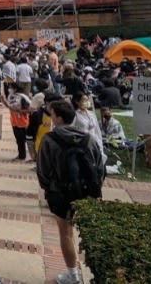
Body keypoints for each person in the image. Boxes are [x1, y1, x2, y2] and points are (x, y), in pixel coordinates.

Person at [37, 100, 104, 284]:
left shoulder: (49, 140)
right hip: (87, 191)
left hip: (61, 193)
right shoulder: (88, 139)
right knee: (90, 232)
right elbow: (99, 167)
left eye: (52, 115)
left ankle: (73, 275)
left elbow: (42, 170)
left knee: (66, 233)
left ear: (58, 118)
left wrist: (49, 189)